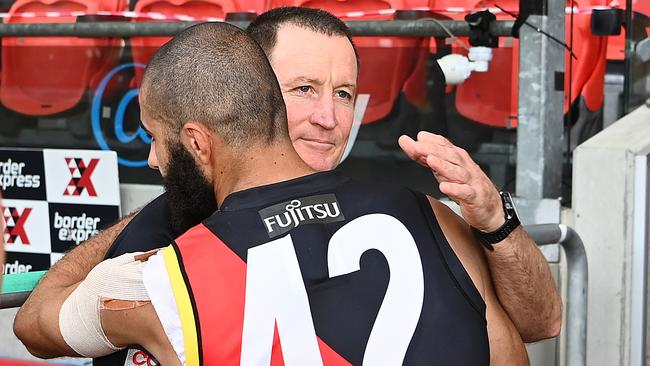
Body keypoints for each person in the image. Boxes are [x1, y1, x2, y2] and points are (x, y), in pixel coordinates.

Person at [14, 7, 560, 364]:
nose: (329, 117)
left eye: (344, 93)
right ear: (251, 92)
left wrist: (497, 222)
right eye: (303, 88)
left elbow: (541, 323)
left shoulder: (426, 217)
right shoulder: (423, 217)